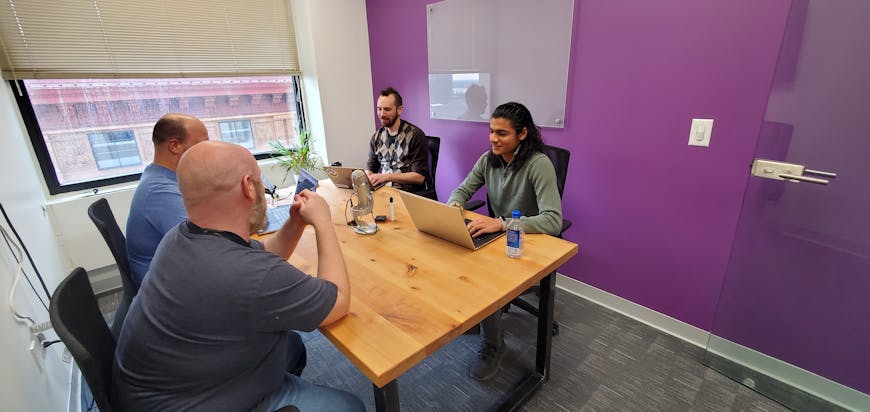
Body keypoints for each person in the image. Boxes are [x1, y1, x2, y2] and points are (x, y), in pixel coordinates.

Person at [112, 141, 364, 412]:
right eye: (259, 180)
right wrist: (323, 222)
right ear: (248, 186)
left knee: (290, 346)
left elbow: (267, 252)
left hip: (155, 391)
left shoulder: (180, 236)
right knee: (349, 406)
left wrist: (296, 222)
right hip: (190, 402)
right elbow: (337, 299)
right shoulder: (251, 274)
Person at [447, 102, 563, 381]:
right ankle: (482, 316)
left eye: (502, 133)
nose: (493, 139)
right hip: (499, 237)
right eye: (491, 131)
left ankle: (493, 345)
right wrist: (453, 206)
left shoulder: (539, 164)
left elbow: (553, 220)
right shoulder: (489, 159)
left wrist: (501, 223)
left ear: (522, 134)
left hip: (528, 242)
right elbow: (463, 189)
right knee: (454, 257)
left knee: (486, 281)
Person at [126, 113, 209, 287]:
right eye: (202, 144)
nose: (208, 151)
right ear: (175, 146)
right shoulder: (160, 192)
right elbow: (206, 245)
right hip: (166, 288)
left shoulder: (162, 177)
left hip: (173, 271)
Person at [366, 87, 430, 196]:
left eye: (387, 109)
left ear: (399, 110)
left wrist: (387, 176)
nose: (381, 114)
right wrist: (368, 177)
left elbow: (419, 177)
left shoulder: (415, 135)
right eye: (379, 109)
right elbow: (371, 168)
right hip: (383, 192)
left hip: (408, 194)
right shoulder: (377, 137)